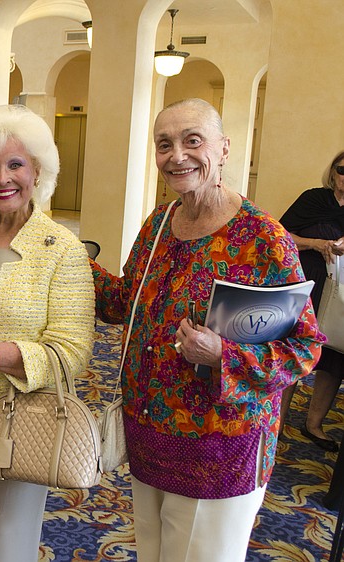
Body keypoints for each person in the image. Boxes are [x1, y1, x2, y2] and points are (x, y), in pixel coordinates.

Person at [90, 98, 324, 562]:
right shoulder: (159, 223)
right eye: (164, 144)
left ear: (224, 148)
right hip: (148, 430)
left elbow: (304, 348)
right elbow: (125, 303)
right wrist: (70, 259)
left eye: (192, 141)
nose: (177, 155)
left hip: (219, 444)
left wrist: (224, 355)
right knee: (155, 553)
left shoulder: (262, 238)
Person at [0, 104, 95, 562]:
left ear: (38, 170)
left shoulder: (62, 248)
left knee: (5, 536)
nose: (1, 178)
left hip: (20, 411)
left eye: (15, 164)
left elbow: (73, 352)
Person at [278, 152, 344, 450]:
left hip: (340, 297)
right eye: (342, 170)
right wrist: (316, 244)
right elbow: (281, 236)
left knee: (334, 359)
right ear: (332, 173)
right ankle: (277, 420)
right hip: (305, 289)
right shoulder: (314, 199)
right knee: (292, 352)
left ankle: (314, 425)